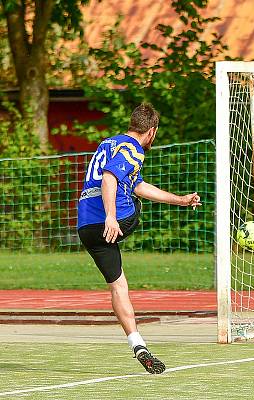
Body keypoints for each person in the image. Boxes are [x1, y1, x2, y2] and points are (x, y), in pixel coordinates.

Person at [77, 103, 201, 374]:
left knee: (119, 285)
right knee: (130, 202)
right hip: (115, 220)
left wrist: (179, 200)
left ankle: (138, 344)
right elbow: (110, 178)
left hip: (86, 227)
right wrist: (111, 216)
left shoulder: (109, 143)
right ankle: (117, 215)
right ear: (152, 131)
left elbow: (136, 184)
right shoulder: (134, 150)